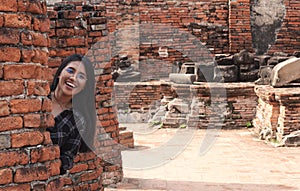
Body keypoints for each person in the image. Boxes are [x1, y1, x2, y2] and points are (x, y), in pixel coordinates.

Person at [46, 54, 96, 174]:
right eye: (70, 71)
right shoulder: (38, 97)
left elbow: (67, 159)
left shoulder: (77, 120)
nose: (73, 78)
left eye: (81, 76)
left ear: (84, 86)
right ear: (59, 73)